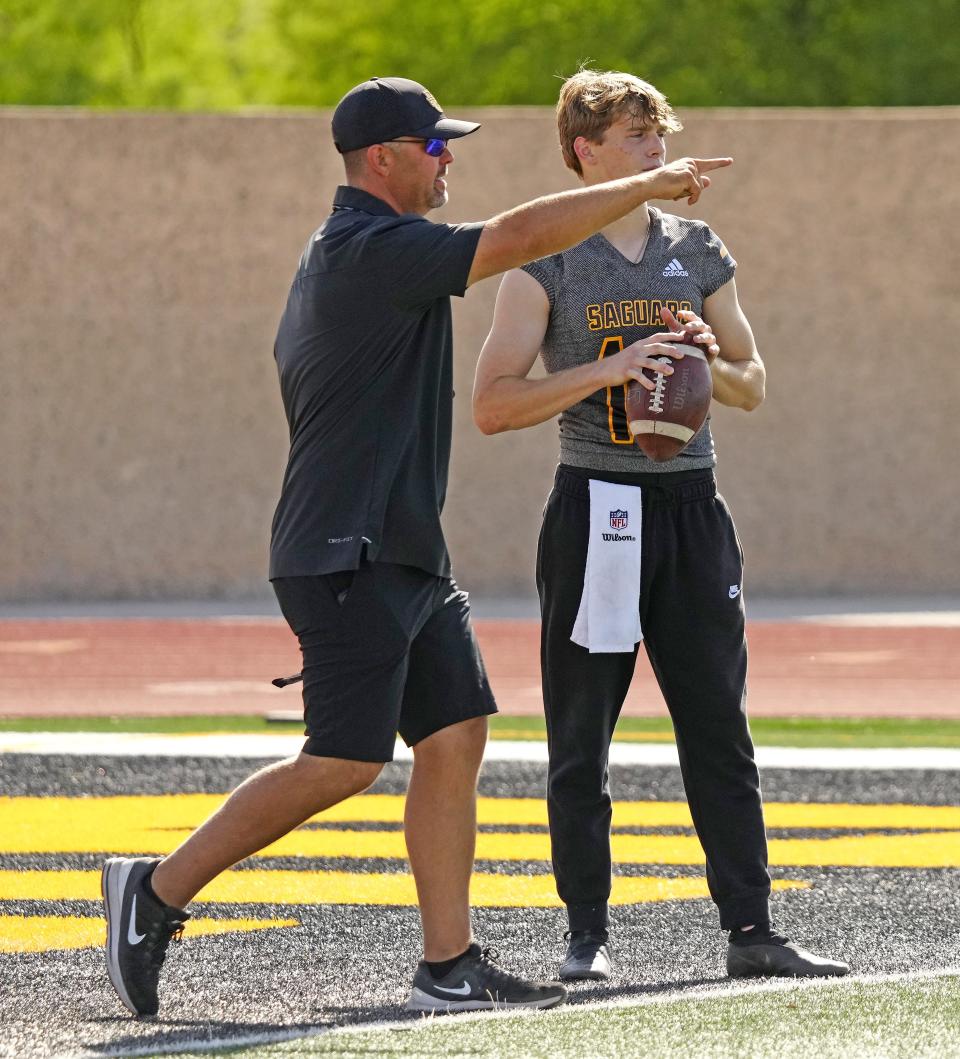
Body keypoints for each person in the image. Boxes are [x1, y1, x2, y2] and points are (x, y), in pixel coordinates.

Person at [100, 75, 735, 1018]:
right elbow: (518, 239)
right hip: (345, 548)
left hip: (400, 550)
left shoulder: (365, 248)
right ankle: (152, 893)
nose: (449, 159)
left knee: (454, 733)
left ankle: (449, 960)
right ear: (382, 160)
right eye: (435, 147)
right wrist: (642, 186)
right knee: (345, 762)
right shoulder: (370, 245)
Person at [473, 69, 850, 983]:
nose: (655, 147)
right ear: (584, 152)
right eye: (635, 135)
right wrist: (611, 371)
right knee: (583, 732)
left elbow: (753, 385)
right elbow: (491, 405)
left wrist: (709, 361)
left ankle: (753, 929)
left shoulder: (696, 245)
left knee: (718, 723)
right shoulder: (545, 258)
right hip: (597, 508)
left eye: (658, 132)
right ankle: (587, 933)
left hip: (691, 507)